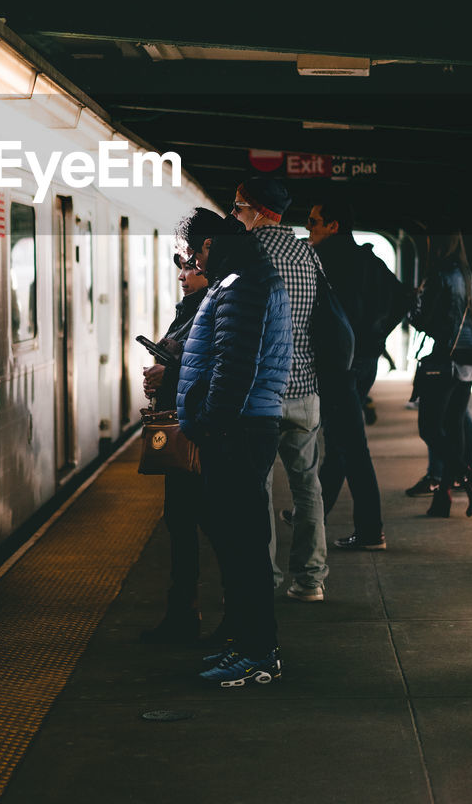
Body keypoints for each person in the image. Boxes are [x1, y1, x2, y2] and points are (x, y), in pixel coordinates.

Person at [175, 206, 292, 688]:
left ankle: (257, 654)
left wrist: (209, 425)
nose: (193, 263)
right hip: (241, 428)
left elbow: (235, 364)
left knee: (244, 547)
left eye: (195, 251)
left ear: (211, 245)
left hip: (239, 430)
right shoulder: (244, 278)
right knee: (240, 544)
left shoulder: (243, 283)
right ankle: (247, 644)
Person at [231, 174, 328, 601]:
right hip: (305, 391)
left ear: (256, 210)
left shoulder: (248, 252)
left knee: (259, 493)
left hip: (261, 394)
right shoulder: (309, 255)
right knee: (308, 488)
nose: (234, 216)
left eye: (237, 208)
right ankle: (310, 580)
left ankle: (263, 581)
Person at [306, 196, 409, 551]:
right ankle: (314, 512)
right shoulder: (369, 258)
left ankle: (370, 531)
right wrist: (374, 339)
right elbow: (402, 299)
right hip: (363, 364)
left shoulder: (326, 261)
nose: (309, 227)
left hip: (339, 369)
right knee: (340, 443)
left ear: (333, 226)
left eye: (315, 221)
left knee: (352, 448)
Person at [139, 247, 213, 645]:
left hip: (197, 431)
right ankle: (183, 611)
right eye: (182, 268)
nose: (182, 276)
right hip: (186, 425)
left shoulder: (209, 308)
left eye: (190, 268)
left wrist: (168, 373)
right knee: (182, 521)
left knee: (199, 524)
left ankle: (196, 616)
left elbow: (213, 363)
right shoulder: (190, 308)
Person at [408, 226, 472, 517]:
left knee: (429, 428)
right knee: (454, 427)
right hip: (469, 362)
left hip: (444, 361)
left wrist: (411, 305)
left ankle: (467, 477)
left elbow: (423, 320)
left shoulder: (439, 276)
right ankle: (443, 498)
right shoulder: (471, 278)